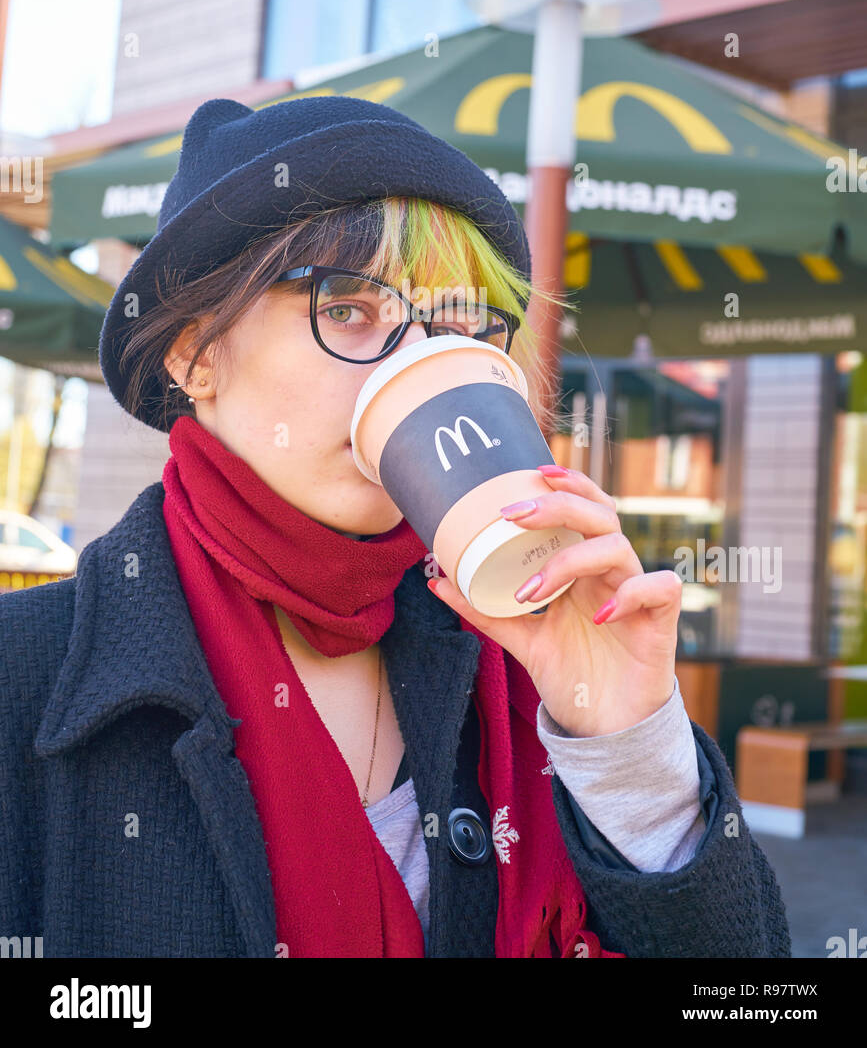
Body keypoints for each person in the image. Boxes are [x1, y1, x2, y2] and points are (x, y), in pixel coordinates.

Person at [0, 95, 791, 958]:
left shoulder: (528, 655)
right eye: (346, 307)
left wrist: (633, 750)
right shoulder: (24, 675)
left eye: (451, 324)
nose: (411, 364)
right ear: (195, 356)